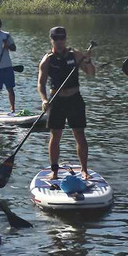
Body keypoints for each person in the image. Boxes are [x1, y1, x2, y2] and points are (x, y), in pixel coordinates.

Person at [37, 26, 95, 179]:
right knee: (55, 135)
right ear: (51, 40)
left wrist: (88, 60)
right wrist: (44, 100)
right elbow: (41, 84)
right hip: (56, 100)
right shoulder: (47, 60)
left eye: (62, 38)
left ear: (65, 39)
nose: (59, 41)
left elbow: (91, 74)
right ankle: (54, 171)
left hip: (75, 99)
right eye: (56, 39)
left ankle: (84, 170)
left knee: (79, 134)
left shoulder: (75, 55)